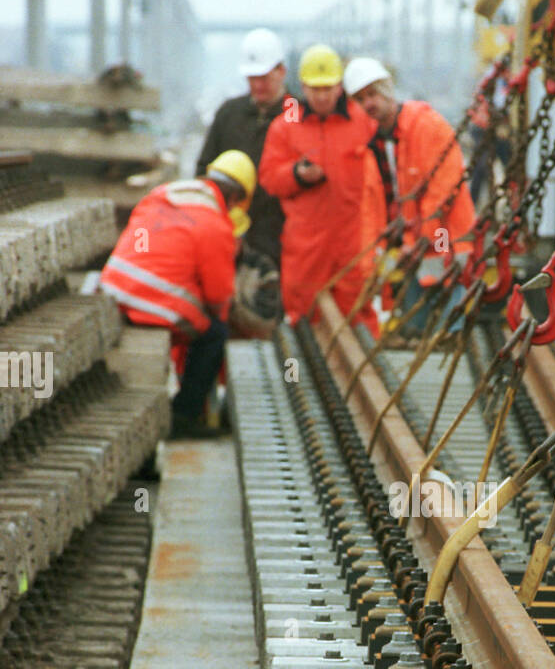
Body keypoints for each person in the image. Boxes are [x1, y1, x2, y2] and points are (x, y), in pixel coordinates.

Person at [99, 150, 256, 438]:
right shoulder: (215, 224)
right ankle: (184, 417)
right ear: (236, 198)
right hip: (149, 299)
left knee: (196, 320)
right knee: (214, 334)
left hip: (114, 286)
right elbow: (218, 295)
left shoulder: (165, 193)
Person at [258, 44, 392, 334]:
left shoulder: (363, 120)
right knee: (302, 316)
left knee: (359, 316)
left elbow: (385, 173)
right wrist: (297, 174)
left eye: (328, 88)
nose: (321, 96)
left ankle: (362, 374)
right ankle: (302, 375)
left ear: (339, 86)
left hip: (354, 240)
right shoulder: (286, 126)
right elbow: (269, 178)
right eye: (315, 89)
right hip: (306, 242)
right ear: (303, 87)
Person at [344, 56, 475, 335]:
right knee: (418, 332)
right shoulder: (383, 141)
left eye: (372, 93)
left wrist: (415, 241)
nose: (369, 103)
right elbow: (385, 204)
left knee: (447, 331)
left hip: (445, 241)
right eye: (360, 98)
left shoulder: (425, 126)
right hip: (420, 249)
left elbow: (439, 195)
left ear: (388, 88)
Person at [197, 28, 295, 320]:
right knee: (223, 312)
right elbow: (203, 171)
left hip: (279, 238)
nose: (258, 85)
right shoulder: (229, 114)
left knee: (272, 314)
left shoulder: (298, 115)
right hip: (228, 237)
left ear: (281, 71)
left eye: (264, 77)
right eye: (252, 78)